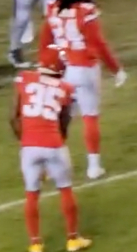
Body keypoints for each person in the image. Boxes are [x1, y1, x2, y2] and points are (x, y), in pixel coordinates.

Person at [39, 0, 127, 179]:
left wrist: (45, 67)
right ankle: (93, 166)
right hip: (85, 67)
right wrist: (116, 69)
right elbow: (98, 43)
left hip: (64, 68)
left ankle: (51, 167)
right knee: (90, 116)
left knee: (61, 118)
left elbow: (45, 41)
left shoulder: (53, 7)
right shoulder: (86, 10)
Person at [11, 45, 93, 252]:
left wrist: (26, 142)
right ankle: (73, 240)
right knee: (65, 188)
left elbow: (14, 118)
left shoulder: (24, 78)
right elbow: (63, 122)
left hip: (28, 145)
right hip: (53, 144)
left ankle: (35, 244)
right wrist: (57, 145)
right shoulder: (65, 88)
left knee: (31, 194)